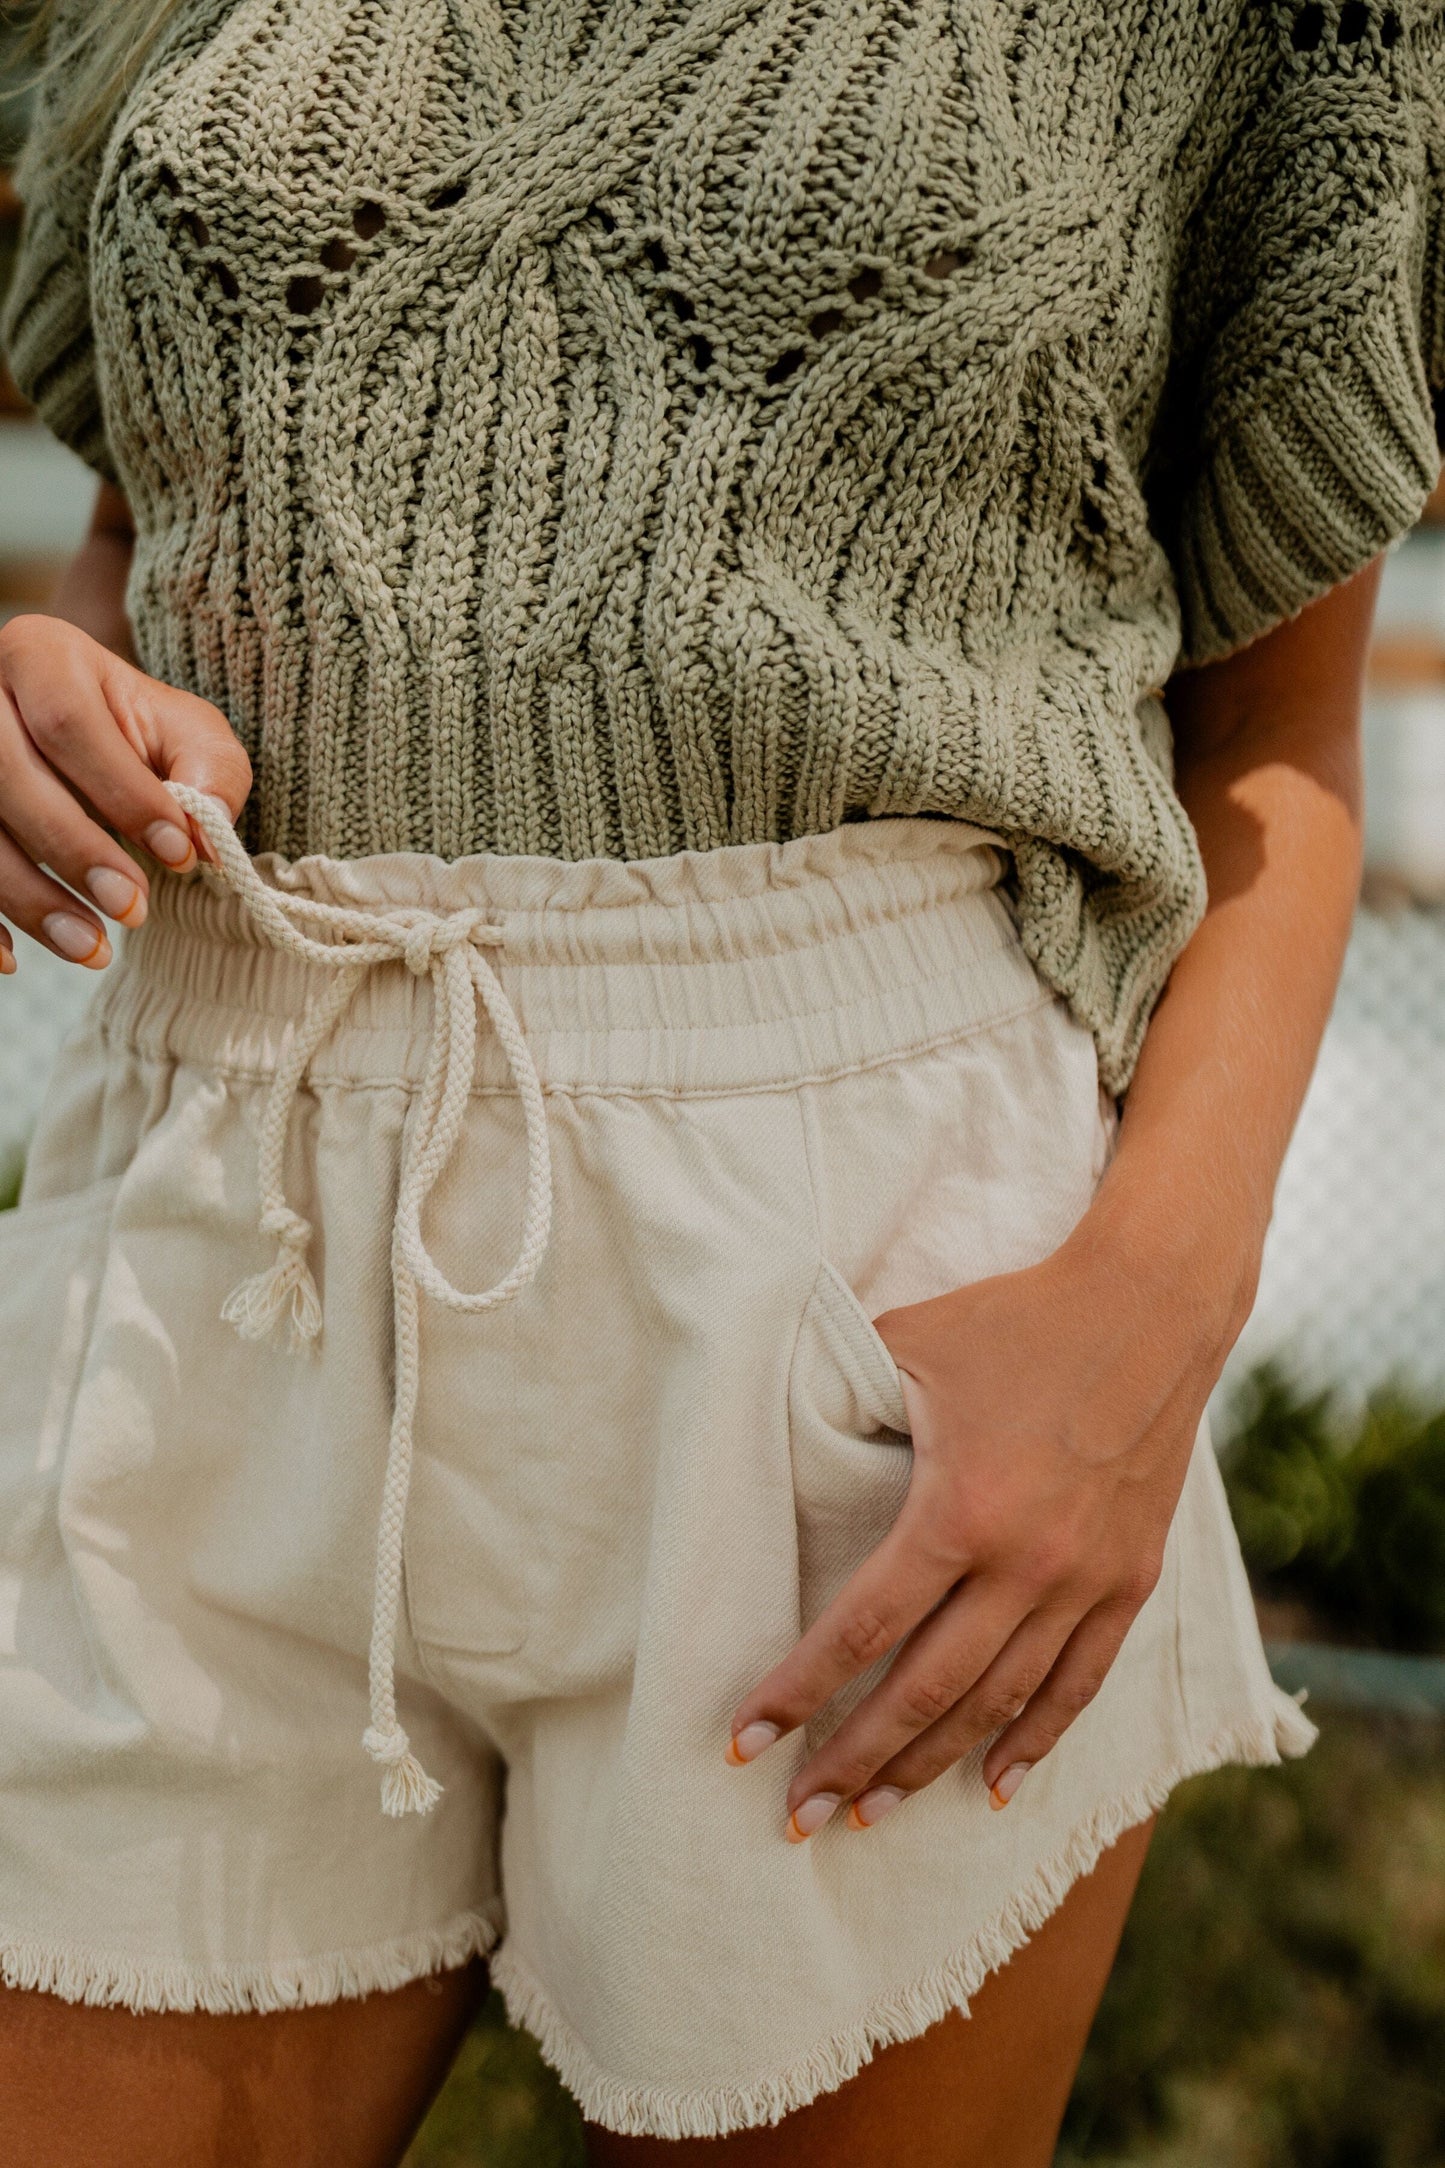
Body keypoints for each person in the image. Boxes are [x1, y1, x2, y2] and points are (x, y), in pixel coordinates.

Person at [0, 2, 1438, 2162]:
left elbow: (1275, 748)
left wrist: (1145, 1320)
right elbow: (171, 506)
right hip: (219, 1222)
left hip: (858, 1279)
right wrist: (58, 680)